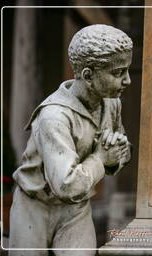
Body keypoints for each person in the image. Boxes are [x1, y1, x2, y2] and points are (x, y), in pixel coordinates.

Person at [9, 24, 133, 256]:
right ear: (88, 75)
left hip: (76, 209)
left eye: (127, 71)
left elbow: (116, 152)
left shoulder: (111, 103)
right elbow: (66, 185)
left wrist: (119, 152)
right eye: (117, 73)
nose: (127, 80)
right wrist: (100, 157)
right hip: (35, 209)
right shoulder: (54, 116)